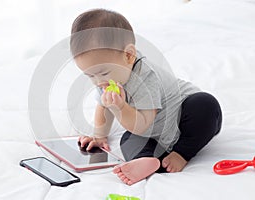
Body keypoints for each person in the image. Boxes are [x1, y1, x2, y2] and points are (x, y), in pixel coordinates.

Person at [70, 9, 222, 185]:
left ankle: (182, 153)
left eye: (102, 73)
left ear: (129, 55)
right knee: (127, 140)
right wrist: (99, 136)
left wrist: (120, 107)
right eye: (90, 76)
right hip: (154, 131)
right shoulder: (106, 79)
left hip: (182, 116)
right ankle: (147, 161)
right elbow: (103, 107)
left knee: (205, 106)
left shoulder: (145, 77)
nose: (98, 82)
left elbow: (142, 124)